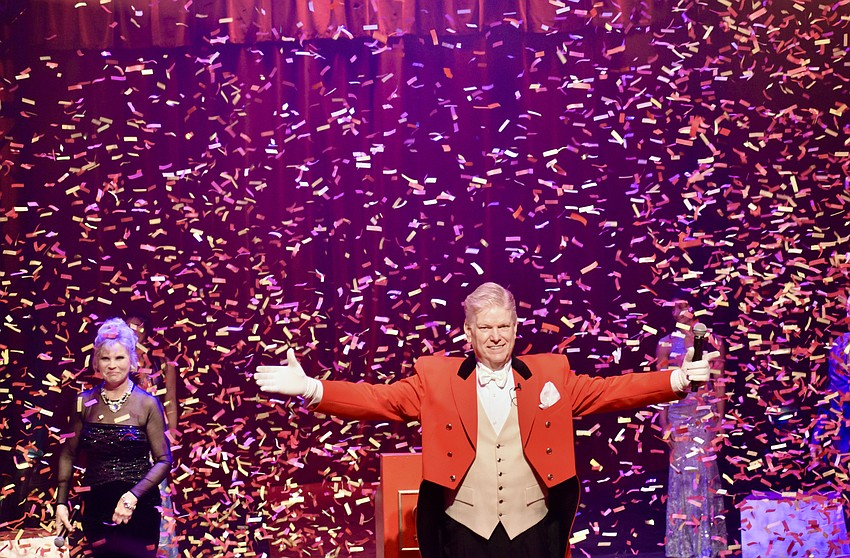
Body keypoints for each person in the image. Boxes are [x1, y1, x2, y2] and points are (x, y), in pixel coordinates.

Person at [254, 282, 717, 558]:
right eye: (486, 328)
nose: (496, 337)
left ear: (515, 328)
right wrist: (313, 389)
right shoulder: (435, 377)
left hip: (533, 529)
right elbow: (381, 401)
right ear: (468, 332)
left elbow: (610, 391)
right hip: (463, 531)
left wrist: (677, 379)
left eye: (503, 327)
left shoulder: (549, 374)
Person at [54, 317, 172, 558]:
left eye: (119, 358)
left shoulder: (148, 404)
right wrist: (61, 504)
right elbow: (68, 453)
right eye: (105, 358)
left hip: (139, 507)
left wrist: (131, 497)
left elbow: (164, 460)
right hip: (97, 509)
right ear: (96, 362)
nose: (112, 365)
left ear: (132, 360)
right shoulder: (84, 402)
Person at [656, 295, 727, 558]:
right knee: (682, 479)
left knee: (704, 477)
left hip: (704, 416)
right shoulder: (665, 343)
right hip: (678, 416)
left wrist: (720, 420)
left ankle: (707, 545)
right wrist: (663, 423)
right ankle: (683, 547)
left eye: (684, 305)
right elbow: (662, 385)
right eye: (675, 306)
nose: (680, 311)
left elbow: (719, 382)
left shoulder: (713, 340)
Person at [127, 314, 180, 558]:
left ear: (147, 330)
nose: (134, 331)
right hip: (127, 438)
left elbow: (171, 401)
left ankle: (161, 550)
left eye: (138, 327)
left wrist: (172, 435)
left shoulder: (162, 362)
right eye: (129, 327)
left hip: (154, 438)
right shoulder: (120, 362)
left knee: (157, 491)